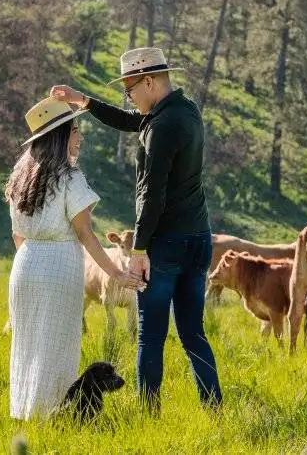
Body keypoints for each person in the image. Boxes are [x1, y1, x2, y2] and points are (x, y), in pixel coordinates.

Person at [50, 47, 223, 413]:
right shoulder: (186, 111)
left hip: (166, 243)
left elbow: (151, 192)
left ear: (148, 81)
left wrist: (140, 249)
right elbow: (134, 121)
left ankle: (148, 412)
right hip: (199, 238)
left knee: (151, 333)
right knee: (194, 333)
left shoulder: (160, 127)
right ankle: (215, 409)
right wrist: (84, 101)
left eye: (129, 89)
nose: (128, 97)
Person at [5, 96, 145, 421]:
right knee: (57, 347)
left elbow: (17, 234)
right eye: (75, 130)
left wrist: (32, 263)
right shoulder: (69, 177)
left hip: (24, 265)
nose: (79, 136)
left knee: (27, 344)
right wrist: (118, 273)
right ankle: (53, 416)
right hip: (59, 266)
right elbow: (85, 234)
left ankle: (27, 413)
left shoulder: (20, 177)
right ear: (61, 136)